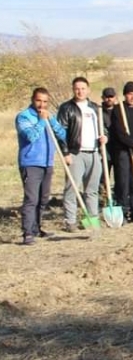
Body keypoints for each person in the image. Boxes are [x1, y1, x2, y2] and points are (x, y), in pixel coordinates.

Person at [16, 87, 67, 245]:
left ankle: (37, 227)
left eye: (45, 101)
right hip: (30, 162)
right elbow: (31, 136)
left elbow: (62, 134)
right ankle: (27, 233)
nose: (42, 105)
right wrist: (41, 120)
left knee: (43, 199)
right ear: (33, 99)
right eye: (39, 100)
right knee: (32, 199)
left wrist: (50, 120)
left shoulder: (48, 117)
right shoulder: (23, 116)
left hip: (47, 162)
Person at [56, 77, 105, 233]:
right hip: (75, 153)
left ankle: (92, 219)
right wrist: (65, 153)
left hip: (94, 152)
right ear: (73, 89)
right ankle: (70, 221)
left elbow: (104, 128)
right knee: (72, 188)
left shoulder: (95, 108)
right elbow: (60, 132)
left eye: (83, 88)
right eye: (77, 88)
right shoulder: (66, 108)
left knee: (92, 189)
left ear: (88, 89)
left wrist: (105, 137)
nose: (80, 91)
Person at [110, 82, 133, 223]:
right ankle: (123, 211)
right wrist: (132, 144)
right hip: (123, 152)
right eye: (130, 94)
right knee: (123, 182)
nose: (132, 97)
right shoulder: (118, 110)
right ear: (125, 95)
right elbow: (120, 132)